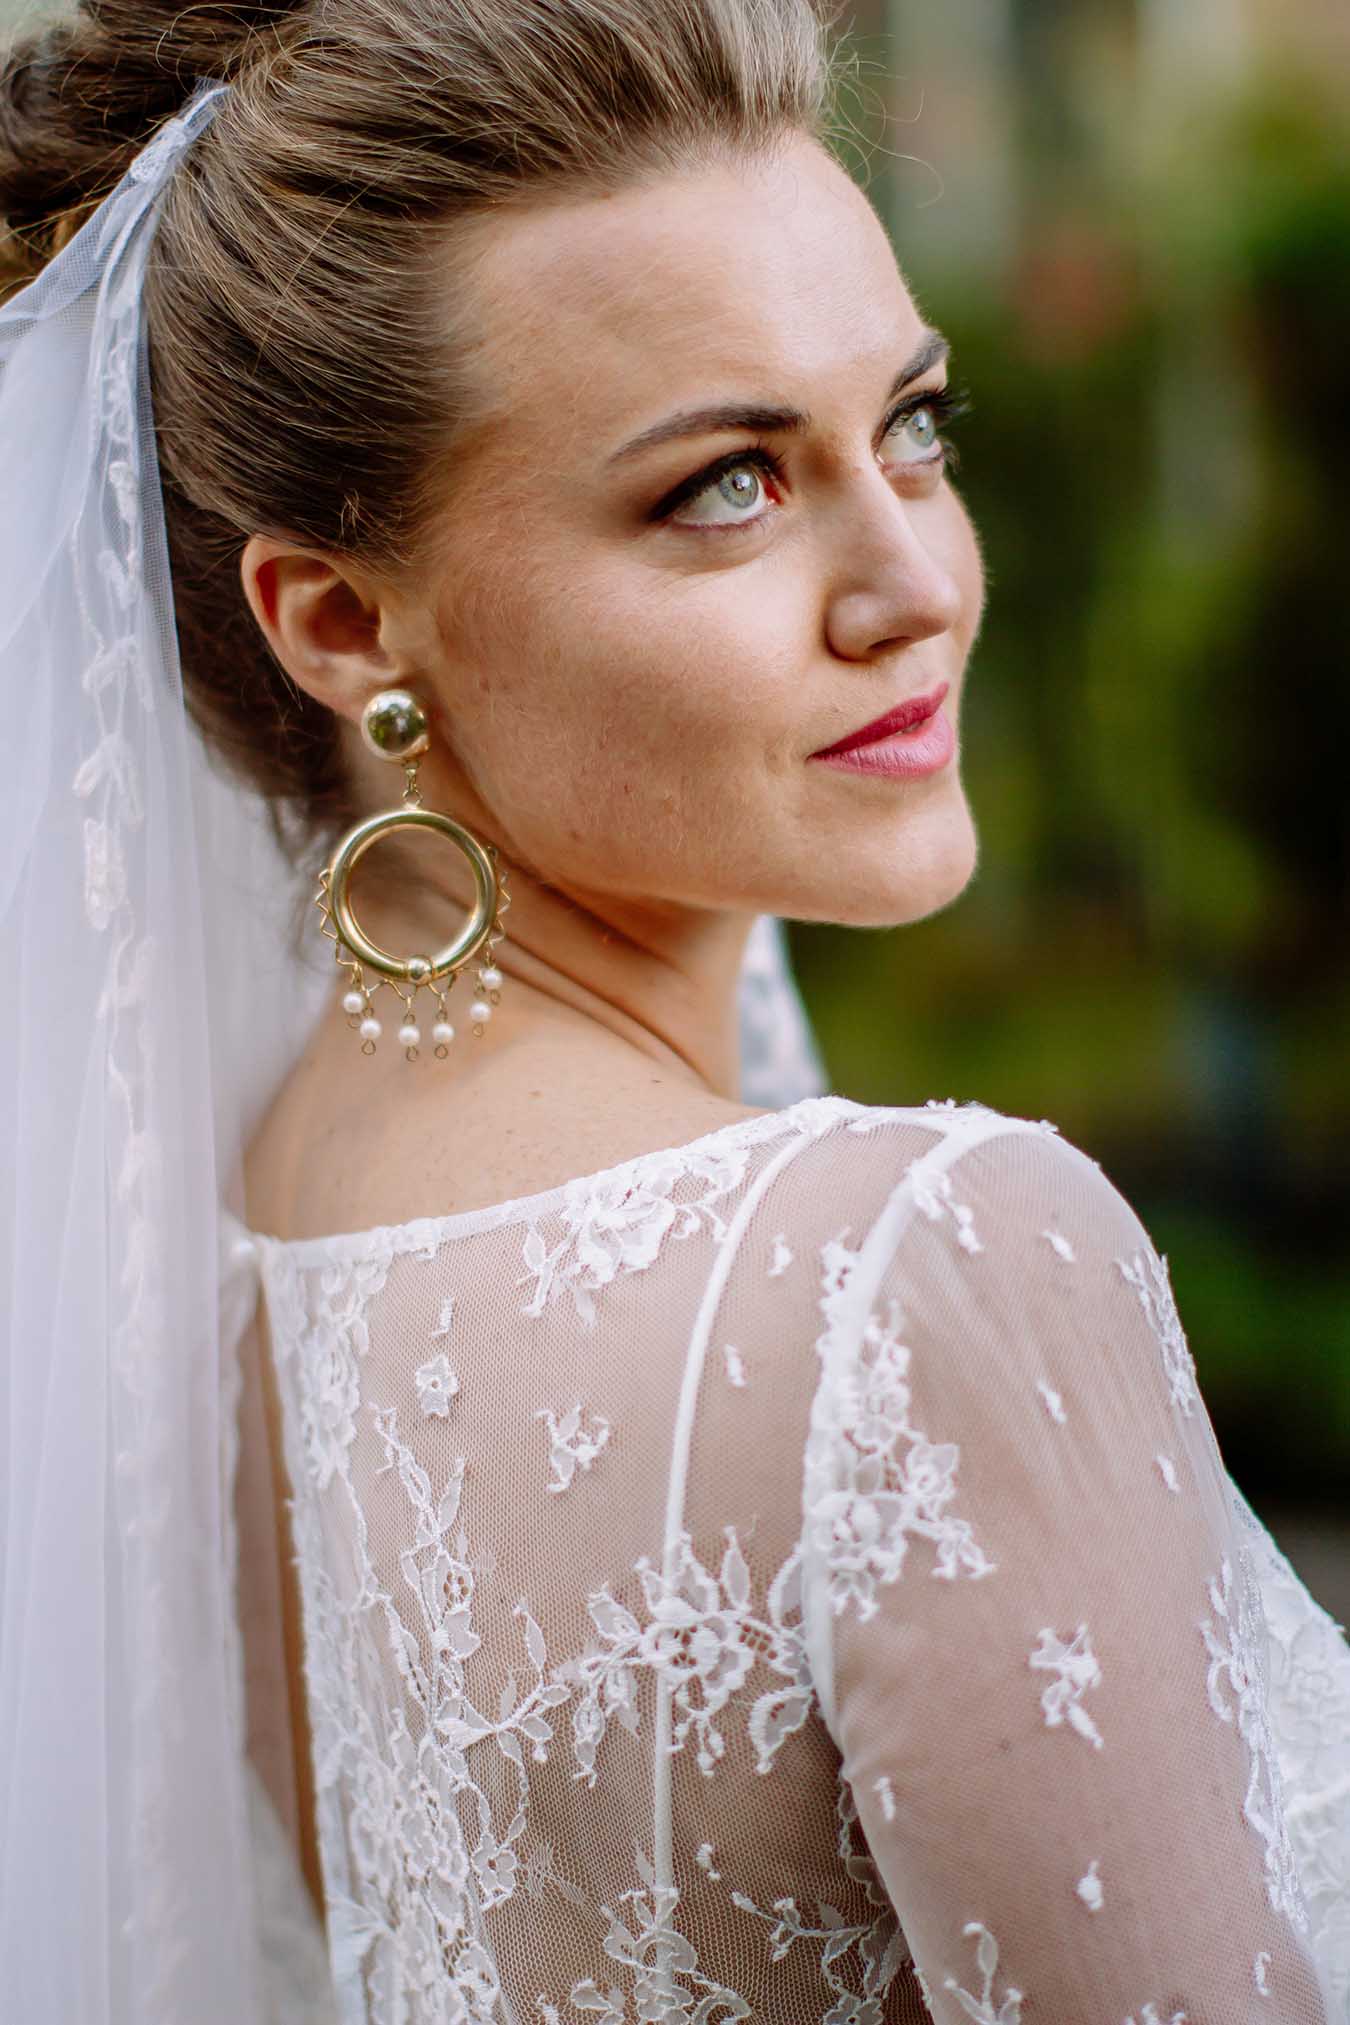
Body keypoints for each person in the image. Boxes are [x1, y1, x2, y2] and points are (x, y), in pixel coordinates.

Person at [0, 3, 1346, 2021]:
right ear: (341, 616)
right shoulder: (928, 1266)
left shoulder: (241, 1190)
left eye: (913, 423)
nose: (912, 582)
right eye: (727, 485)